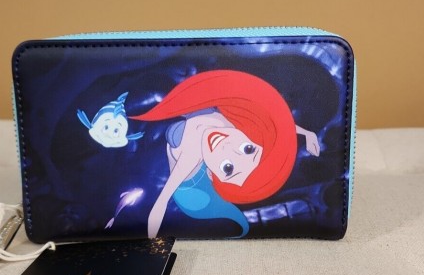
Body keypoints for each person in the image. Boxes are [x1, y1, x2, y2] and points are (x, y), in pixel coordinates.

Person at [132, 70, 319, 238]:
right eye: (248, 149)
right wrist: (307, 134)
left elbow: (160, 204)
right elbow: (274, 126)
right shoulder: (234, 123)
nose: (228, 147)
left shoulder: (191, 155)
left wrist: (149, 244)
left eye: (228, 168)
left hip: (179, 185)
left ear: (211, 174)